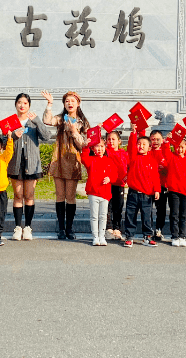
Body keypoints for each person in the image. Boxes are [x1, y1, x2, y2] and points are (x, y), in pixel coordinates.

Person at [42, 91, 90, 240]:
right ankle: (61, 228)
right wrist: (49, 104)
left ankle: (70, 228)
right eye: (67, 101)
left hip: (73, 161)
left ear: (78, 103)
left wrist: (75, 132)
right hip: (59, 160)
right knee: (60, 195)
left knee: (70, 196)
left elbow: (84, 145)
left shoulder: (83, 123)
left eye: (72, 101)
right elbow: (47, 120)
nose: (70, 103)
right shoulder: (60, 119)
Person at [6, 92, 51, 241]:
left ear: (29, 105)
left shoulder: (33, 121)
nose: (22, 105)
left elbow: (46, 136)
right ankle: (18, 227)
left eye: (25, 103)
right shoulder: (11, 122)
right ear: (15, 104)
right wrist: (12, 136)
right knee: (18, 195)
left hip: (32, 163)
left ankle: (28, 227)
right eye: (19, 102)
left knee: (29, 195)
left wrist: (38, 120)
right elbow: (2, 140)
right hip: (16, 163)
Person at [123, 131, 160, 247]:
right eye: (139, 144)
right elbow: (130, 148)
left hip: (147, 195)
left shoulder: (152, 161)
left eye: (144, 144)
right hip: (133, 193)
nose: (141, 146)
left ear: (149, 147)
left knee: (147, 217)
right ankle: (129, 237)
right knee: (130, 215)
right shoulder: (134, 158)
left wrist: (157, 190)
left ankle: (147, 237)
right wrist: (134, 134)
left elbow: (155, 177)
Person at [161, 137, 186, 247]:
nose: (180, 149)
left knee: (184, 215)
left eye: (182, 147)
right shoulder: (172, 157)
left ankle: (182, 236)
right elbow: (165, 151)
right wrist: (167, 140)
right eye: (177, 147)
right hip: (174, 191)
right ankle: (175, 236)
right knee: (174, 214)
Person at [82, 138, 114, 246]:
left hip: (105, 192)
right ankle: (95, 236)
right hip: (93, 192)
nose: (99, 149)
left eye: (102, 146)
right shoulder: (91, 160)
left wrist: (110, 179)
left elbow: (115, 174)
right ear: (93, 148)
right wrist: (85, 147)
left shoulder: (109, 160)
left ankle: (102, 236)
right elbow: (83, 158)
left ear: (105, 148)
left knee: (103, 216)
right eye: (97, 146)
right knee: (94, 215)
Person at [104, 130, 128, 241]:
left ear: (119, 141)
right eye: (109, 139)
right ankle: (108, 228)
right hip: (107, 184)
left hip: (119, 183)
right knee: (107, 207)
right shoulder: (105, 152)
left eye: (113, 139)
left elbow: (128, 165)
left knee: (118, 207)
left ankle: (117, 228)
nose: (111, 141)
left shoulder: (123, 153)